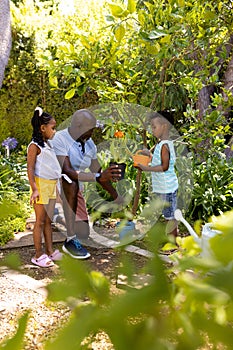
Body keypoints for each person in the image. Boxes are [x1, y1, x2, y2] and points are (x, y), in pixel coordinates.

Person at [51, 109, 122, 259]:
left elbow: (98, 171)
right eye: (90, 129)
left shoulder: (88, 143)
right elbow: (68, 171)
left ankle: (57, 217)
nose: (92, 133)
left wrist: (116, 196)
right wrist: (98, 176)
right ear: (77, 126)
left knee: (83, 232)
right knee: (69, 180)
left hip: (75, 189)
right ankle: (69, 240)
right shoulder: (60, 139)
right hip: (55, 187)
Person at [27, 107, 63, 268]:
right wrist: (34, 189)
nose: (54, 131)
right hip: (40, 186)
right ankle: (37, 255)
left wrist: (57, 190)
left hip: (50, 185)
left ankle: (49, 251)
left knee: (49, 220)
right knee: (40, 221)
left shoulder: (48, 145)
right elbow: (30, 168)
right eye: (52, 127)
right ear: (43, 128)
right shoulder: (34, 146)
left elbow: (52, 169)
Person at [137, 111, 178, 238]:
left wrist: (146, 168)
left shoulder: (164, 145)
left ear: (164, 126)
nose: (152, 130)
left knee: (170, 216)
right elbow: (158, 160)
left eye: (154, 127)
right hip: (164, 187)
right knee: (168, 215)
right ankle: (171, 240)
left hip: (168, 187)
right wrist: (148, 155)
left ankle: (174, 243)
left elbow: (164, 167)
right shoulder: (161, 144)